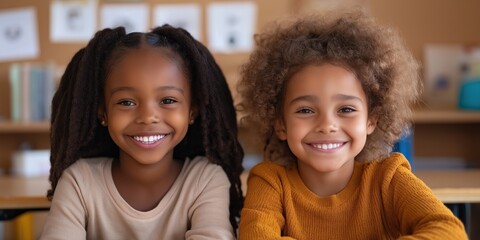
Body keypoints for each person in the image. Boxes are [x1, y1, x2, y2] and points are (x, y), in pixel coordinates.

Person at [237, 10, 467, 239]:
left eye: (346, 109)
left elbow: (449, 231)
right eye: (305, 110)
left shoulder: (387, 177)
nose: (327, 125)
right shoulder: (269, 182)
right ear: (280, 124)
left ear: (371, 120)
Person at [41, 25, 244, 239]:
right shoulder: (79, 181)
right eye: (126, 102)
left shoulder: (205, 179)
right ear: (103, 112)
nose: (148, 116)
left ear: (192, 110)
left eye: (168, 100)